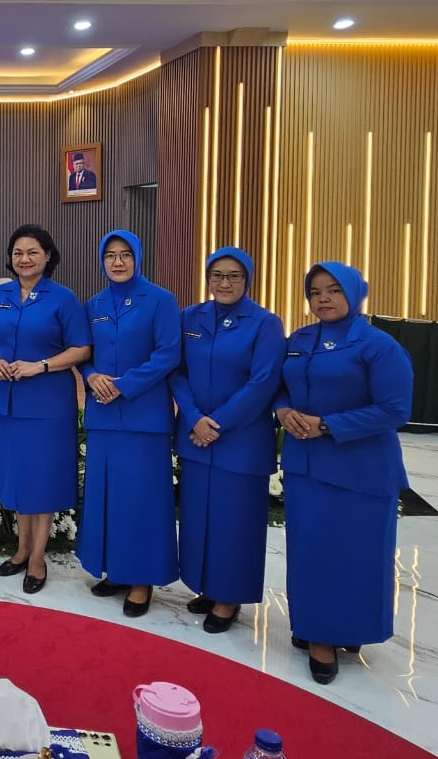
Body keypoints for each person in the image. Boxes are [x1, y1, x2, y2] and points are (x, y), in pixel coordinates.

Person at [274, 261, 413, 684]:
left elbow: (395, 409)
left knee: (354, 556)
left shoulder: (378, 345)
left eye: (333, 290)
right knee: (310, 551)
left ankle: (342, 630)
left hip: (359, 470)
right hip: (305, 466)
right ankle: (315, 630)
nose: (323, 299)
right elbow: (281, 386)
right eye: (315, 292)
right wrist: (282, 410)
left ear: (354, 293)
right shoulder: (299, 339)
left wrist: (328, 425)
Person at [171, 247, 285, 633]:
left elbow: (263, 382)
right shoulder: (189, 317)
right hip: (195, 436)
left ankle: (229, 596)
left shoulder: (265, 323)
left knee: (235, 522)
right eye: (217, 275)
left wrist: (216, 424)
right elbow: (177, 372)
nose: (224, 282)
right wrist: (193, 418)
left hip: (241, 442)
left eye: (234, 275)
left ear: (247, 279)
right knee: (199, 518)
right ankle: (207, 584)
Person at [0, 225, 91, 594]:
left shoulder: (63, 298)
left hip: (47, 403)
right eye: (18, 253)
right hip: (6, 401)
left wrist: (39, 366)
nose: (24, 259)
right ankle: (21, 549)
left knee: (42, 479)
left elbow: (81, 349)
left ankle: (38, 558)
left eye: (32, 252)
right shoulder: (1, 295)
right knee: (16, 475)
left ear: (48, 256)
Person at [78, 229, 181, 617]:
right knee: (108, 497)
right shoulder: (94, 303)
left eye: (125, 254)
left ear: (138, 257)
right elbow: (84, 353)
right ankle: (117, 569)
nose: (117, 261)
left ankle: (142, 578)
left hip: (144, 418)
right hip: (104, 417)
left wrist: (124, 386)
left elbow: (168, 354)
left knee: (142, 499)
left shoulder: (160, 300)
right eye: (110, 255)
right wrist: (90, 375)